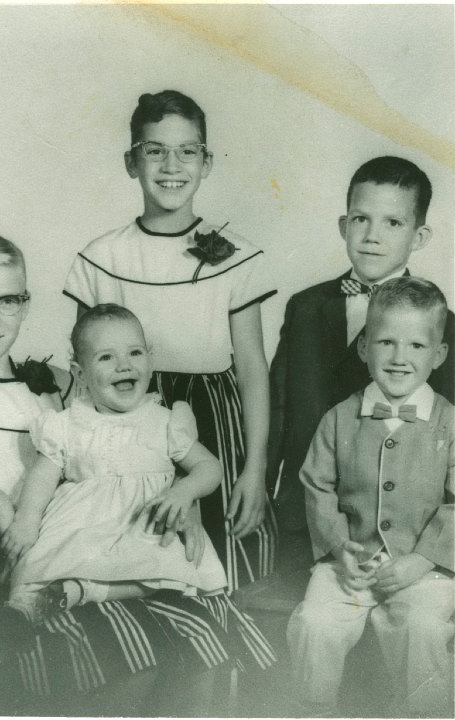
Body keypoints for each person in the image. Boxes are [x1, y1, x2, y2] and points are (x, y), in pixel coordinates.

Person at [0, 233, 276, 714]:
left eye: (8, 301)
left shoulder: (56, 383)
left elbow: (131, 444)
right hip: (1, 547)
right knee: (123, 660)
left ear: (25, 304)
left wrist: (186, 499)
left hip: (94, 539)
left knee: (200, 643)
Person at [64, 89, 278, 592]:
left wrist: (254, 467)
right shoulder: (101, 258)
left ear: (206, 163)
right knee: (136, 559)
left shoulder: (235, 254)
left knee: (221, 569)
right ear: (131, 161)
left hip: (215, 421)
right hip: (127, 419)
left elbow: (251, 366)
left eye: (188, 151)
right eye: (155, 149)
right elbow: (85, 372)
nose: (171, 164)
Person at [287, 277, 454, 717]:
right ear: (363, 347)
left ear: (438, 355)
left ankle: (424, 713)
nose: (400, 358)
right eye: (386, 342)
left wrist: (423, 560)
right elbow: (317, 485)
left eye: (417, 346)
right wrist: (339, 549)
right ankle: (314, 709)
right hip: (350, 564)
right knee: (314, 624)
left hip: (426, 567)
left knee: (423, 628)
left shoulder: (450, 425)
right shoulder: (339, 418)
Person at [1, 303, 228, 622]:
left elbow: (209, 467)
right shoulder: (66, 424)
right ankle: (27, 609)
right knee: (37, 564)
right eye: (106, 357)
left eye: (135, 353)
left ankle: (80, 591)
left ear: (150, 361)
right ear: (79, 373)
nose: (124, 365)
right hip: (82, 526)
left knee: (165, 567)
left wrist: (185, 491)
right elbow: (42, 477)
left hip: (142, 525)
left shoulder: (166, 421)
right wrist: (26, 520)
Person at [268, 156, 455, 536]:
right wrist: (259, 485)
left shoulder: (444, 326)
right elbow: (278, 407)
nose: (372, 235)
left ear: (419, 237)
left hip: (401, 525)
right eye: (360, 219)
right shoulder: (304, 307)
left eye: (393, 222)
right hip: (303, 510)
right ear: (344, 225)